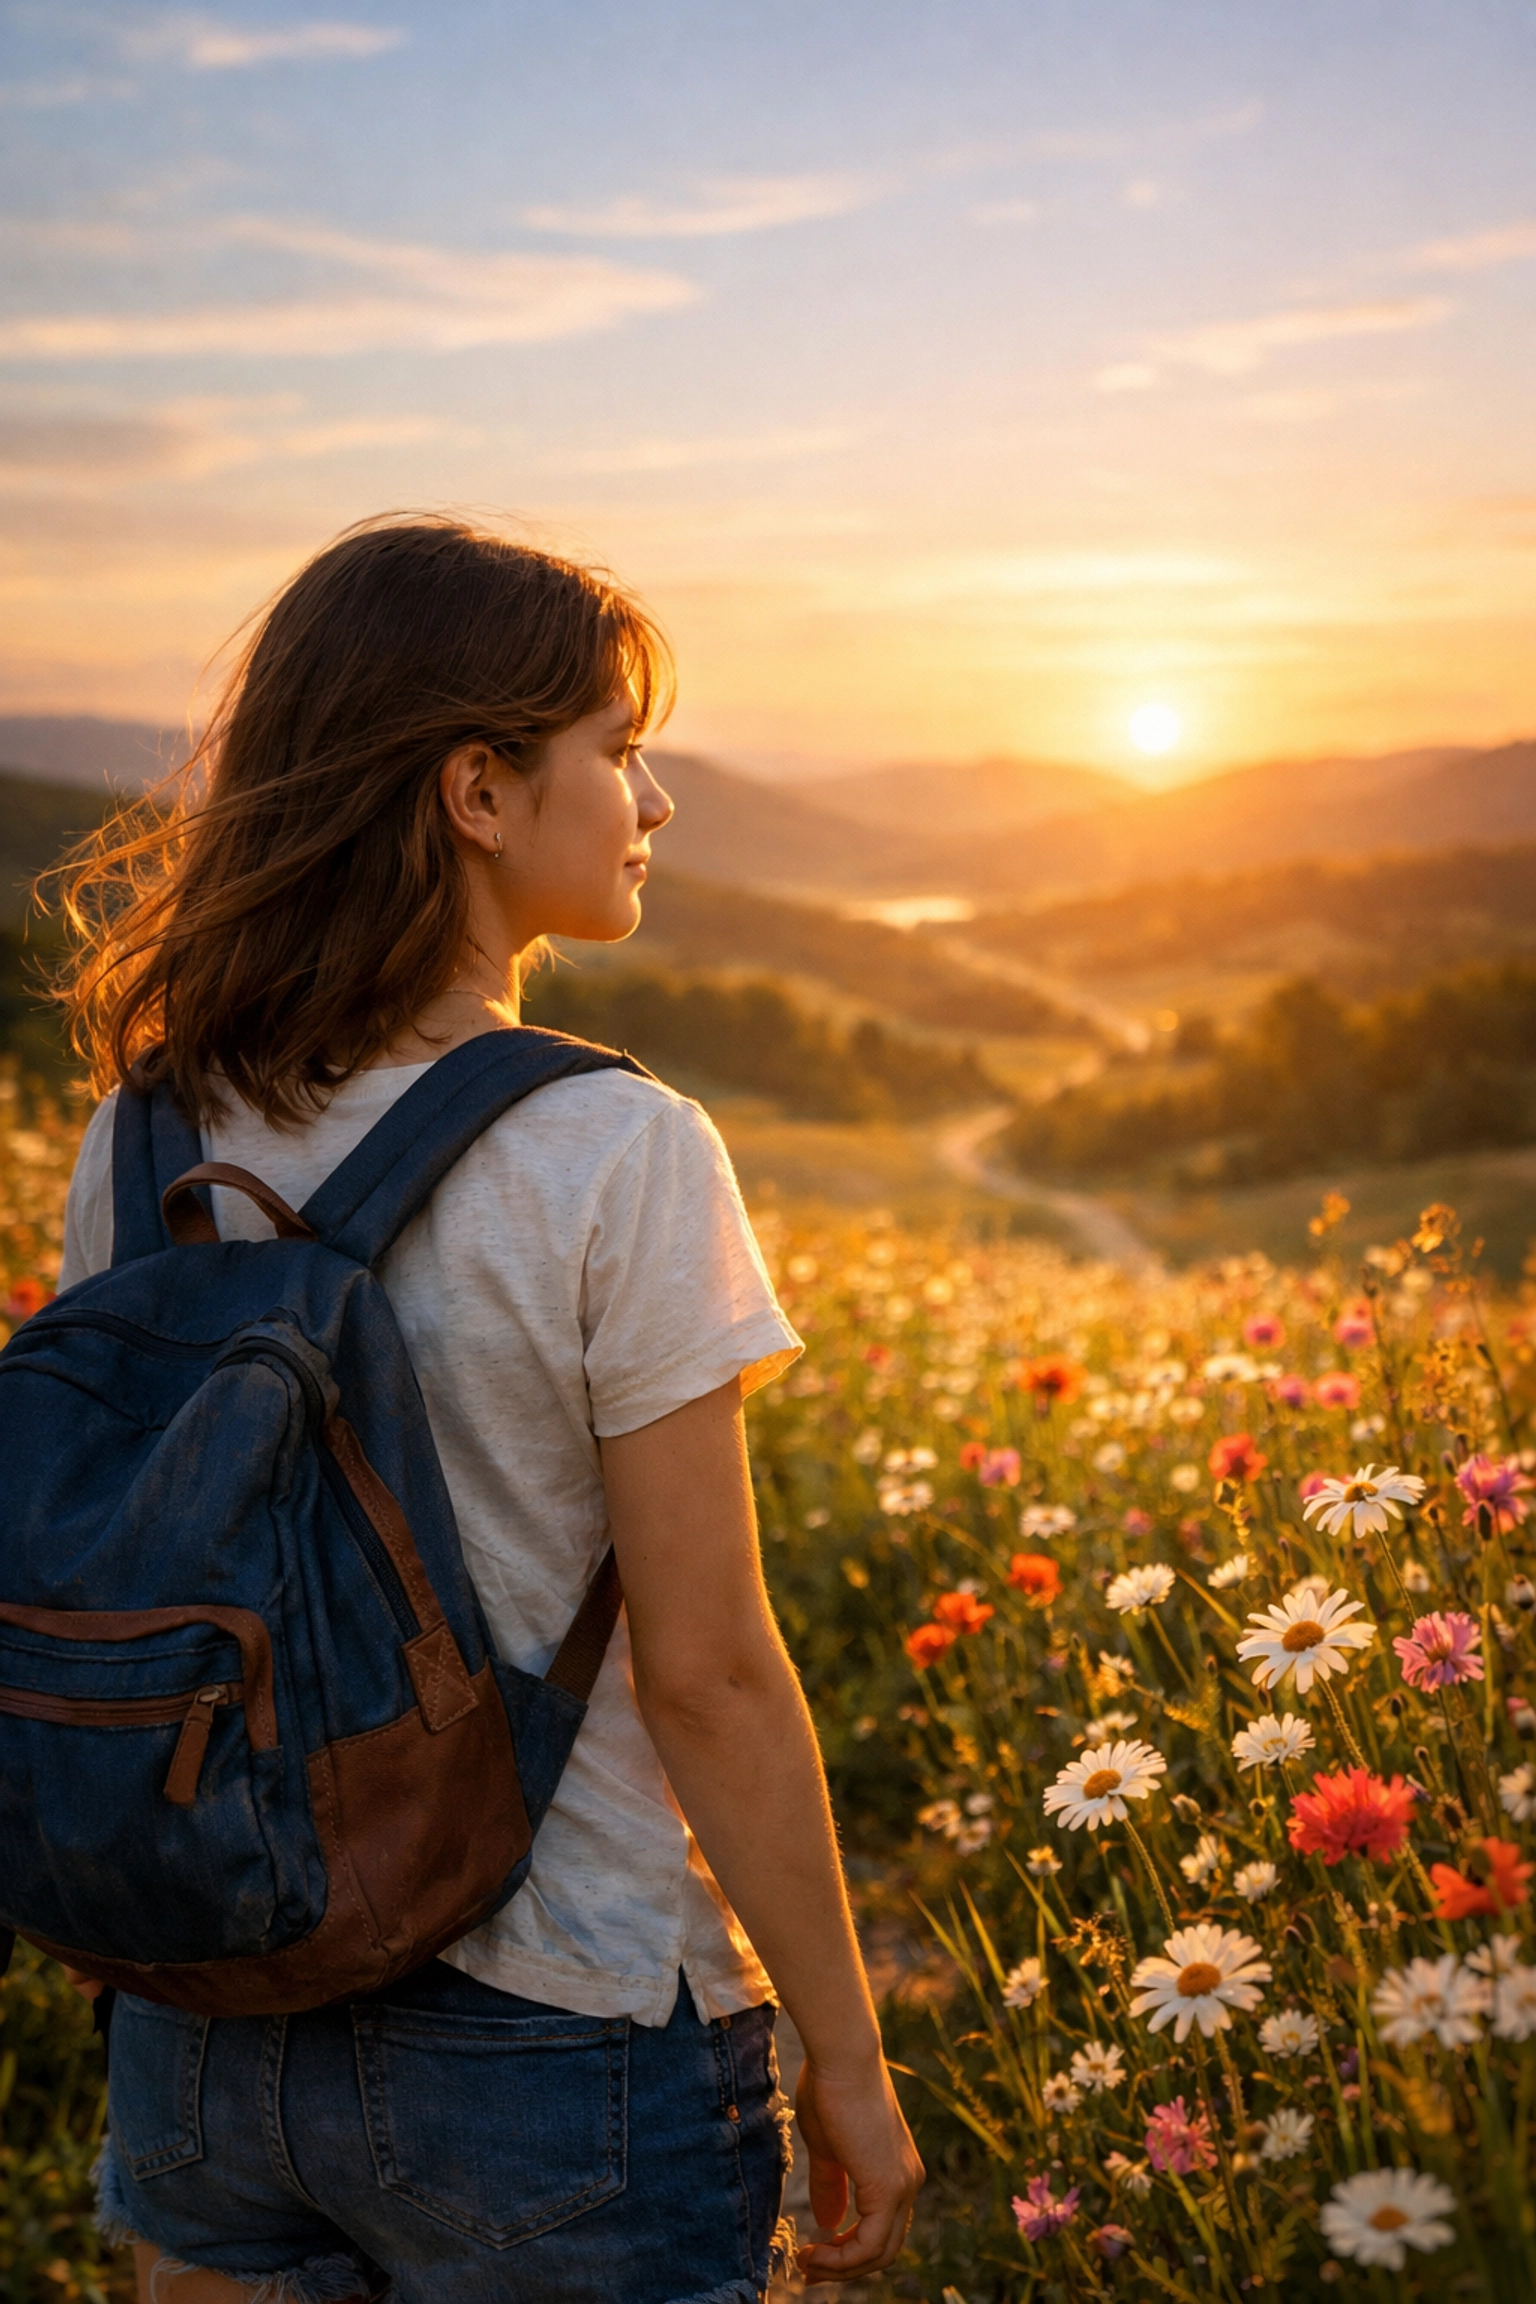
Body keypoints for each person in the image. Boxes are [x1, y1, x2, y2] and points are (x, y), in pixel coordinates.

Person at [51, 516, 922, 2304]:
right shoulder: (615, 1149)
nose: (654, 800)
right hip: (554, 2026)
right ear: (477, 792)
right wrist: (849, 2050)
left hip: (201, 2009)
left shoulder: (144, 1135)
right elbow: (710, 1671)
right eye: (618, 749)